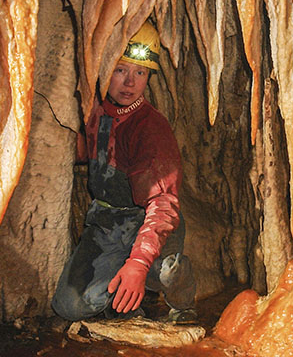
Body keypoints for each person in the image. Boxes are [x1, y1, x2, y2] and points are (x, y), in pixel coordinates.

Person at [52, 22, 196, 323]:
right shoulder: (97, 112)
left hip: (146, 220)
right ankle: (126, 294)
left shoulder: (151, 128)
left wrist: (139, 264)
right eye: (120, 70)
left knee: (164, 271)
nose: (130, 82)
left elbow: (162, 204)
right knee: (70, 307)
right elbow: (89, 153)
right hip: (105, 224)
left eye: (140, 73)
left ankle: (181, 299)